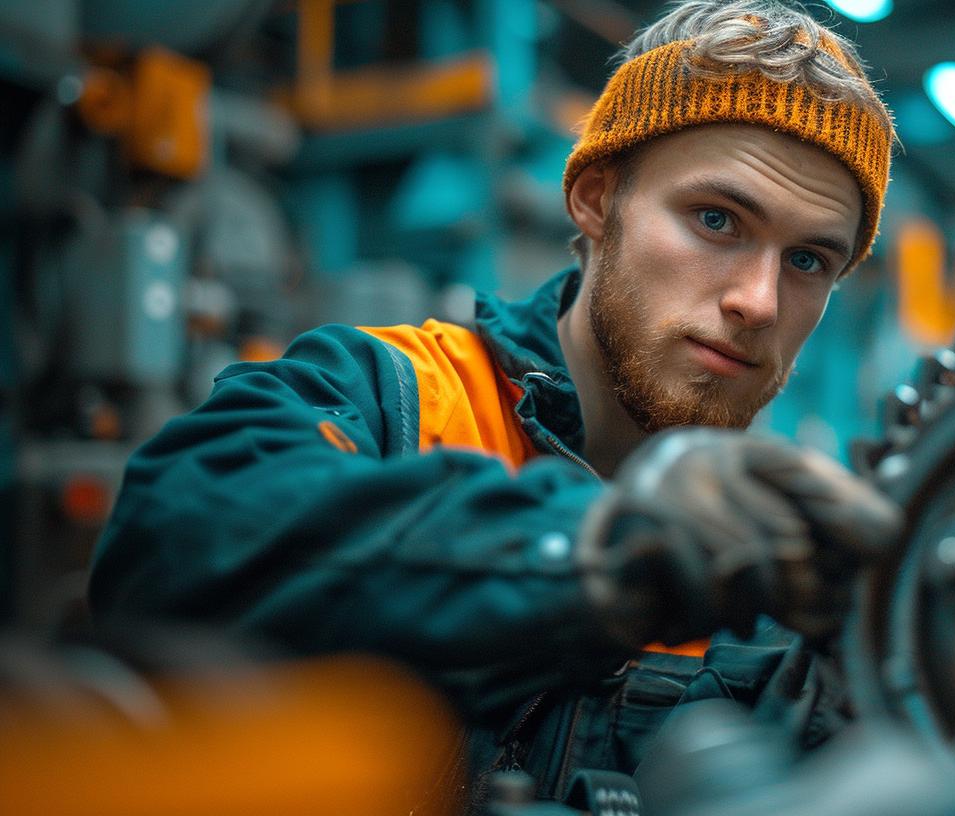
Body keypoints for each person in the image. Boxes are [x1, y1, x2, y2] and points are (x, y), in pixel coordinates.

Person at [88, 0, 901, 805]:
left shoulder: (790, 572)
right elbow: (171, 538)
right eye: (717, 219)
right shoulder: (390, 395)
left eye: (807, 261)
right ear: (595, 197)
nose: (759, 301)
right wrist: (598, 554)